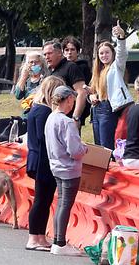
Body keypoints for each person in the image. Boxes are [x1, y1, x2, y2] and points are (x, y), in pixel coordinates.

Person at [44, 85, 88, 256]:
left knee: (61, 203)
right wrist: (84, 149)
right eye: (72, 100)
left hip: (56, 166)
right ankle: (60, 242)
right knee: (65, 205)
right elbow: (75, 151)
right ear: (69, 99)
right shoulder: (67, 122)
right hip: (69, 169)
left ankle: (57, 240)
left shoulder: (51, 118)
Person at [25, 76, 65, 251]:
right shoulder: (43, 111)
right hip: (42, 160)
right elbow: (43, 136)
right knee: (41, 200)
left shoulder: (36, 109)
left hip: (38, 158)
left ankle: (39, 236)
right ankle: (34, 237)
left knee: (44, 199)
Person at [88, 22, 133, 149]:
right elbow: (93, 91)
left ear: (112, 53)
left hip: (109, 108)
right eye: (101, 53)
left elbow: (122, 54)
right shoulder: (98, 71)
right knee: (98, 146)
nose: (104, 56)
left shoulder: (116, 67)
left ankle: (110, 168)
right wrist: (91, 97)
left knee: (107, 146)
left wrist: (121, 37)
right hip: (96, 109)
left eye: (107, 52)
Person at [42, 40, 87, 128]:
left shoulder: (71, 67)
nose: (47, 57)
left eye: (50, 53)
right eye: (45, 54)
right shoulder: (49, 71)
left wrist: (76, 117)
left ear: (59, 53)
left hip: (68, 119)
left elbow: (81, 92)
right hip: (52, 118)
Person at [62, 36, 92, 127]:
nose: (69, 53)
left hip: (76, 106)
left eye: (72, 49)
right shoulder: (62, 67)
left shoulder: (82, 67)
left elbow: (83, 90)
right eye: (67, 50)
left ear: (78, 52)